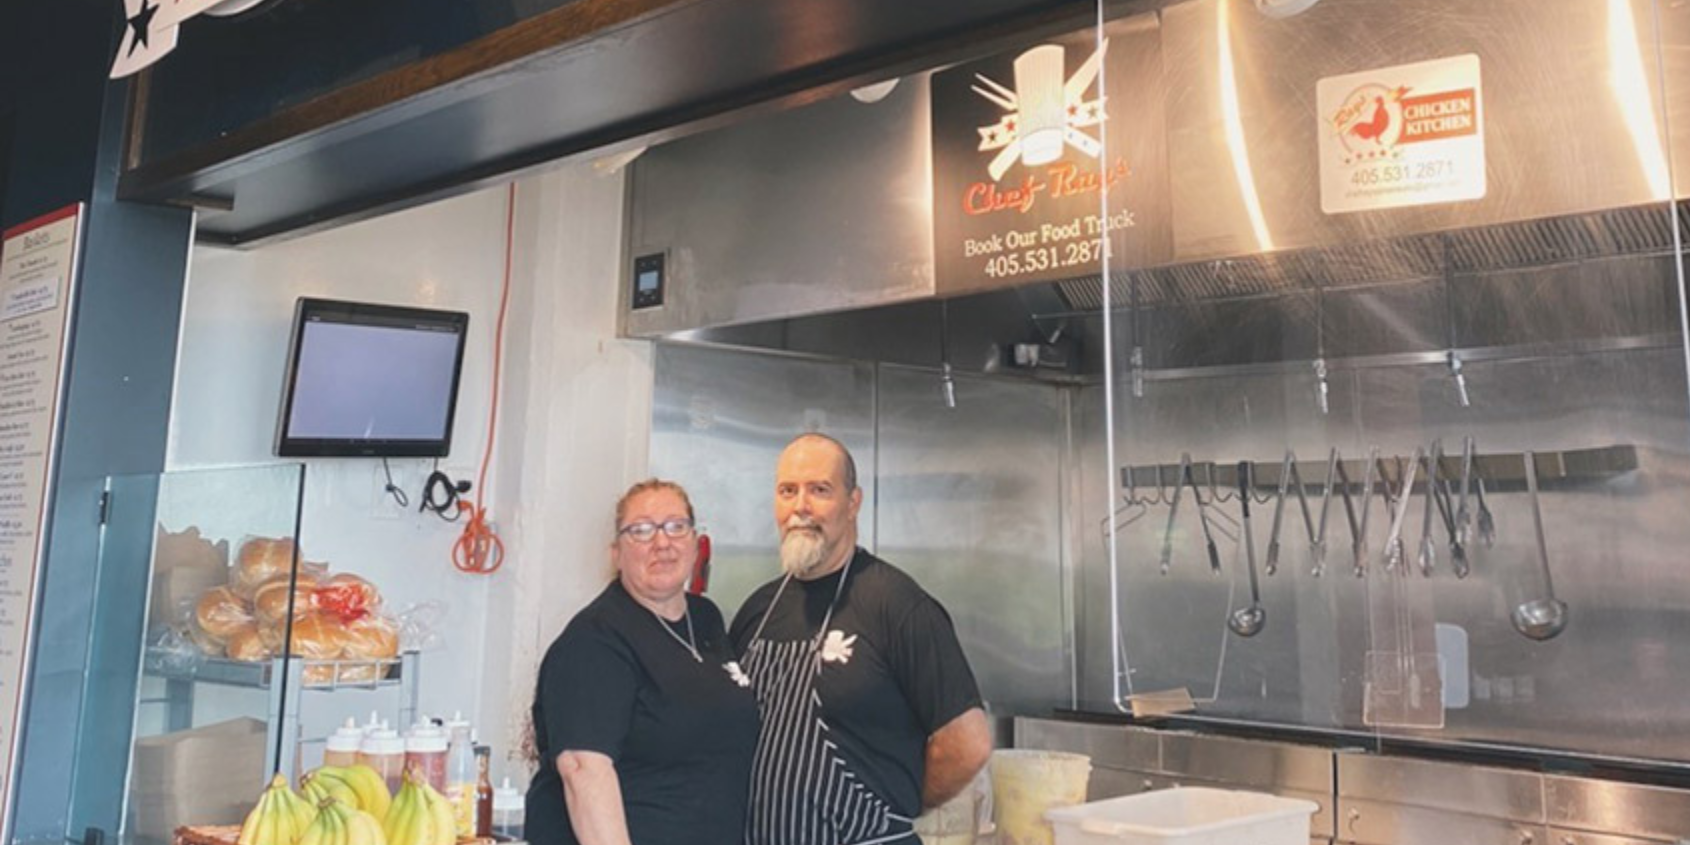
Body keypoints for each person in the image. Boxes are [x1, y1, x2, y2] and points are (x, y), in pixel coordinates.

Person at [730, 433, 994, 845]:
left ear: (853, 503)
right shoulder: (757, 610)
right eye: (787, 491)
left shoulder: (895, 603)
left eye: (820, 490)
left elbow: (968, 742)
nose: (800, 506)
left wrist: (898, 804)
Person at [528, 479, 758, 845]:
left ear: (696, 544)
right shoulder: (596, 640)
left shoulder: (706, 619)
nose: (662, 542)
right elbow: (583, 770)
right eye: (641, 530)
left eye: (676, 526)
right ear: (616, 552)